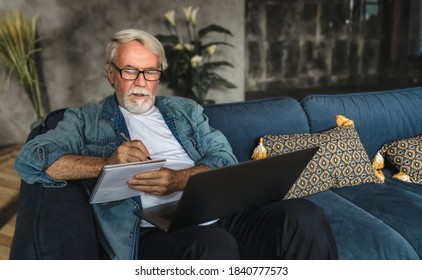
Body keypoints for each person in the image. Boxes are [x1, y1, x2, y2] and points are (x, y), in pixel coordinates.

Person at [15, 29, 338, 260]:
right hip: (154, 230)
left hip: (219, 209)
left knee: (303, 216)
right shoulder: (86, 119)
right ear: (111, 74)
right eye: (130, 71)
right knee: (212, 245)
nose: (141, 82)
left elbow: (223, 156)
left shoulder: (185, 110)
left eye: (150, 71)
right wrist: (106, 164)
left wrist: (179, 179)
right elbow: (31, 160)